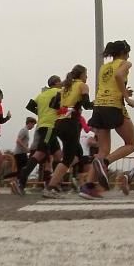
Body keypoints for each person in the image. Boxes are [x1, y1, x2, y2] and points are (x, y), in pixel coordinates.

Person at [87, 40, 134, 197]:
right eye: (128, 51)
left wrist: (124, 92)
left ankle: (88, 187)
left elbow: (110, 84)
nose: (129, 55)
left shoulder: (104, 67)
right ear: (123, 52)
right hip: (114, 106)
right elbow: (118, 75)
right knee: (132, 144)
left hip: (99, 106)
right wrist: (126, 98)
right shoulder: (126, 63)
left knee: (103, 149)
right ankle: (105, 163)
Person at [41, 65, 91, 199]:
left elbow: (53, 105)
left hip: (59, 124)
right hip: (71, 124)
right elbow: (87, 105)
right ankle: (51, 186)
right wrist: (97, 103)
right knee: (68, 159)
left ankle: (77, 182)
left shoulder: (64, 88)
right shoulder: (82, 86)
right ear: (81, 75)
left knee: (78, 154)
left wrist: (65, 107)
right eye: (86, 74)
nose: (87, 77)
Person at [11, 77, 63, 195]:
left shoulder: (42, 95)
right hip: (50, 126)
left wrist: (40, 113)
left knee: (58, 155)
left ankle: (54, 183)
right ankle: (21, 179)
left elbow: (29, 106)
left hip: (43, 126)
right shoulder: (58, 92)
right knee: (41, 153)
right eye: (59, 81)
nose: (61, 83)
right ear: (55, 83)